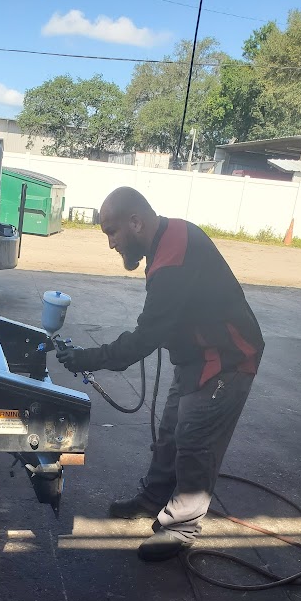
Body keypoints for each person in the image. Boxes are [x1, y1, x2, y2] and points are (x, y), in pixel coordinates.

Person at [57, 187, 264, 562]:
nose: (111, 243)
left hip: (229, 359)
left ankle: (181, 527)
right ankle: (154, 498)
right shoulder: (169, 237)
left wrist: (87, 357)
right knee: (170, 432)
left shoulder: (173, 258)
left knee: (194, 440)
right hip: (197, 357)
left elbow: (145, 337)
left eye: (112, 232)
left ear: (136, 222)